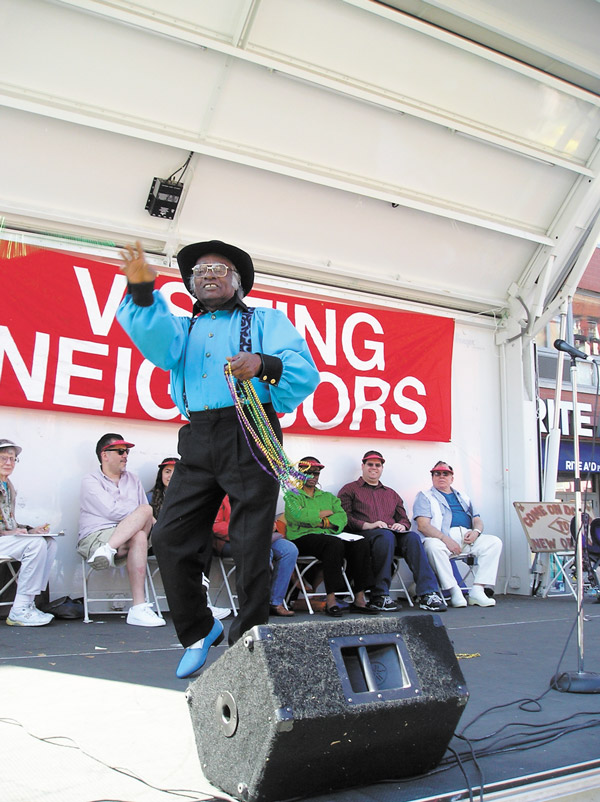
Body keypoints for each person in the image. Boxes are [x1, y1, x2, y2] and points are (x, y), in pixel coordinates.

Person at [116, 239, 319, 678]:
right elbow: (154, 340)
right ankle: (198, 630)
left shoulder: (266, 320)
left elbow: (305, 371)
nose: (209, 274)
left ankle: (248, 643)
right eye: (200, 270)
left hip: (251, 428)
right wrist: (143, 291)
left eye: (220, 269)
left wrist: (263, 363)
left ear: (238, 282)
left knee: (250, 545)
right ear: (190, 284)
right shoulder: (182, 329)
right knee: (170, 536)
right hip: (198, 436)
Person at [338, 450, 447, 613]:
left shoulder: (391, 493)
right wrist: (367, 525)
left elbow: (404, 518)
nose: (374, 468)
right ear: (363, 466)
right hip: (364, 536)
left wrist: (402, 526)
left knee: (412, 538)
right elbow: (343, 517)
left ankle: (427, 593)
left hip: (390, 535)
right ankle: (379, 595)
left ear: (382, 468)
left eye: (378, 465)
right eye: (370, 464)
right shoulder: (350, 489)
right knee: (385, 536)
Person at [77, 433, 165, 627]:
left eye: (127, 451)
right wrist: (138, 515)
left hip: (121, 541)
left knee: (141, 532)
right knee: (142, 520)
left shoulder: (133, 479)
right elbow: (111, 511)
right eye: (120, 451)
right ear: (104, 455)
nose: (125, 455)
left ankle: (138, 607)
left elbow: (145, 517)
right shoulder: (90, 480)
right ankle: (106, 550)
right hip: (96, 537)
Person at [284, 456, 379, 617]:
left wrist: (321, 522)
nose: (313, 477)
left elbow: (342, 517)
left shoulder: (327, 496)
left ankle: (359, 597)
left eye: (316, 473)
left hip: (326, 535)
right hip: (301, 537)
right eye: (308, 473)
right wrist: (326, 514)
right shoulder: (292, 495)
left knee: (361, 543)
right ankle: (331, 600)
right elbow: (298, 516)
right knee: (333, 544)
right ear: (300, 474)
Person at [149, 457, 230, 621]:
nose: (171, 475)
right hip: (160, 543)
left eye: (175, 472)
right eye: (167, 471)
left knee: (205, 533)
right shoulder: (151, 497)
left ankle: (202, 590)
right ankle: (200, 595)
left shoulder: (188, 499)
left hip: (185, 543)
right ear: (160, 475)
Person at [413, 461, 503, 608]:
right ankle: (454, 591)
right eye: (437, 474)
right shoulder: (424, 496)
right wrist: (445, 539)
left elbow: (477, 519)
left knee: (494, 542)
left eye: (445, 473)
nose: (441, 476)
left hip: (467, 537)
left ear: (452, 478)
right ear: (432, 477)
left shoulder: (463, 496)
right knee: (431, 546)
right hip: (441, 538)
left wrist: (476, 532)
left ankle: (478, 590)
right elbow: (423, 525)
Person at [0, 438, 56, 626]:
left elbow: (10, 522)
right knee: (36, 544)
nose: (8, 463)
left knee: (48, 541)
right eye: (3, 458)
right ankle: (20, 609)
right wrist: (8, 534)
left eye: (12, 459)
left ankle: (30, 601)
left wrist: (31, 530)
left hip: (4, 541)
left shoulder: (8, 486)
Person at [212, 495, 298, 617]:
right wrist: (246, 531)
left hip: (259, 538)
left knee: (289, 549)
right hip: (231, 541)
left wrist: (271, 525)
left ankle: (275, 602)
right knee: (262, 551)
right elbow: (216, 526)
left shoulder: (253, 492)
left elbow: (266, 516)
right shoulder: (222, 495)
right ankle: (256, 603)